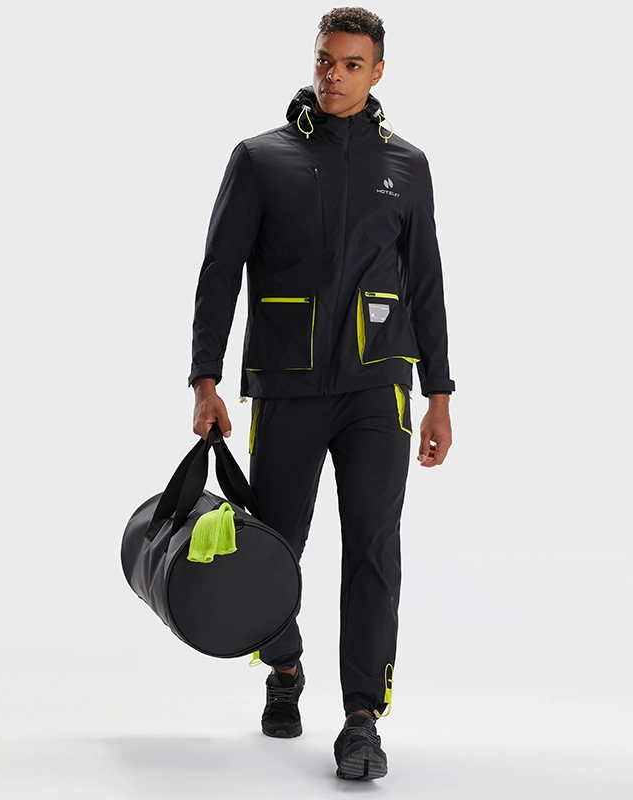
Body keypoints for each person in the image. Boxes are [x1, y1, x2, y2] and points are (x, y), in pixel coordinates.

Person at [188, 7, 455, 781]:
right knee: (274, 545)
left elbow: (426, 283)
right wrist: (205, 379)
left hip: (379, 390)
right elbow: (220, 271)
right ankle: (284, 662)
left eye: (350, 63)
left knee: (374, 547)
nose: (333, 74)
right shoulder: (260, 158)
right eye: (324, 60)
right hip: (290, 385)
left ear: (378, 72)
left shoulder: (407, 165)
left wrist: (439, 392)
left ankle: (361, 720)